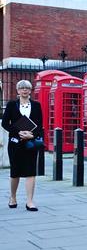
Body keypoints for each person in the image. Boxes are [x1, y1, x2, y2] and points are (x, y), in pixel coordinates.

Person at [1, 80, 43, 211]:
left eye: (27, 88)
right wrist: (18, 132)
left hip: (30, 143)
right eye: (22, 88)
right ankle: (13, 197)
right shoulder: (12, 105)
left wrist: (32, 135)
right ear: (18, 91)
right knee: (15, 172)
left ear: (30, 90)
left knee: (31, 172)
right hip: (15, 143)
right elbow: (5, 123)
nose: (24, 90)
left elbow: (40, 124)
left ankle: (30, 201)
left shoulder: (36, 105)